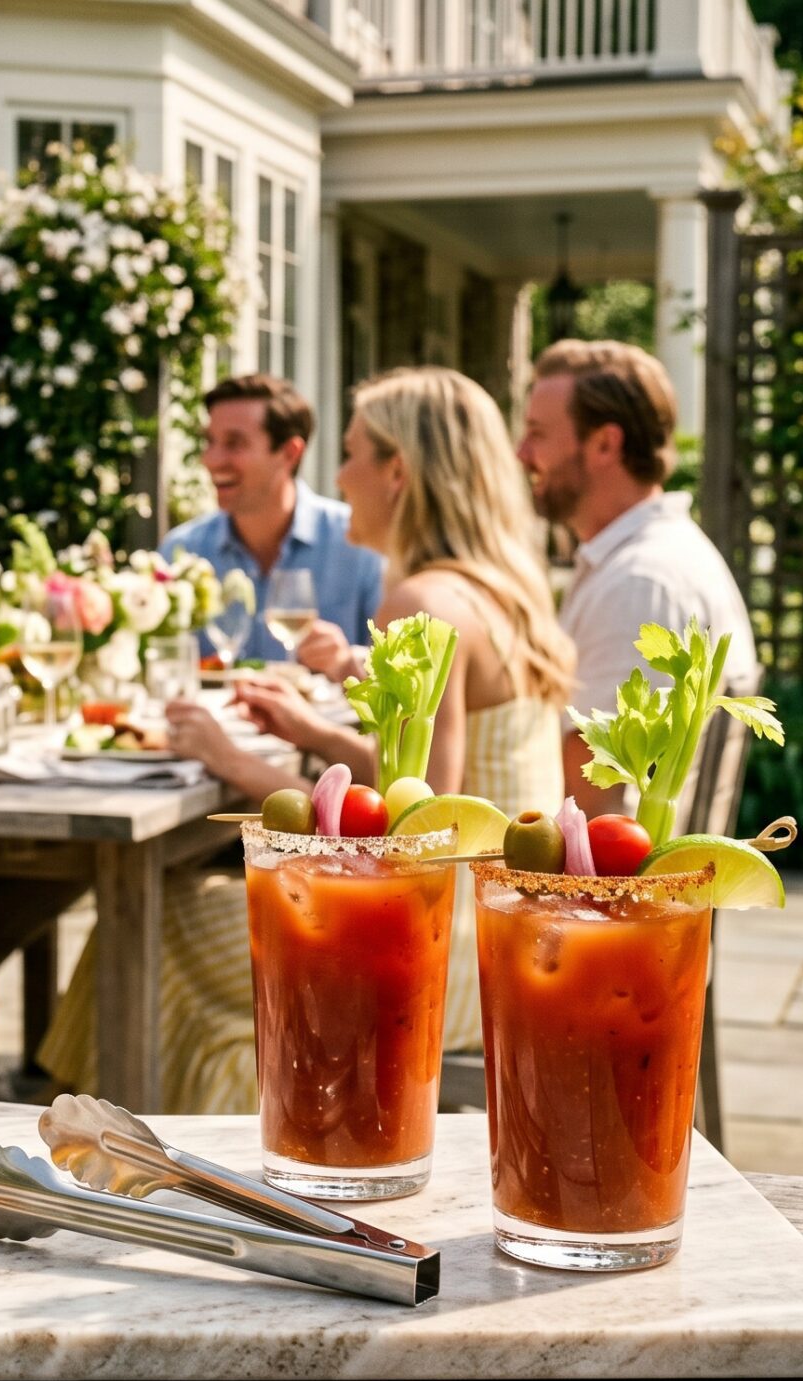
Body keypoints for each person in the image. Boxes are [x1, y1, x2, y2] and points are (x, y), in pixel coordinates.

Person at [41, 366, 572, 1107]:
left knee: (153, 915)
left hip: (445, 953)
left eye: (352, 453)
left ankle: (154, 1132)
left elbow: (409, 829)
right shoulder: (494, 587)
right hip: (504, 928)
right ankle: (213, 1108)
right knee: (172, 923)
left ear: (397, 472)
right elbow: (423, 782)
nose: (339, 475)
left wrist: (229, 760)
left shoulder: (425, 598)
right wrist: (311, 730)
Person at [517, 339, 756, 816]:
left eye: (537, 433)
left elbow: (595, 800)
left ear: (605, 443)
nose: (522, 453)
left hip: (615, 886)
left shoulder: (641, 583)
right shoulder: (639, 559)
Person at [163, 373, 384, 665]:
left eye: (234, 443)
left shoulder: (360, 543)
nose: (212, 460)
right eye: (210, 442)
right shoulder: (180, 551)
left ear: (290, 453)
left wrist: (349, 659)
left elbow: (406, 678)